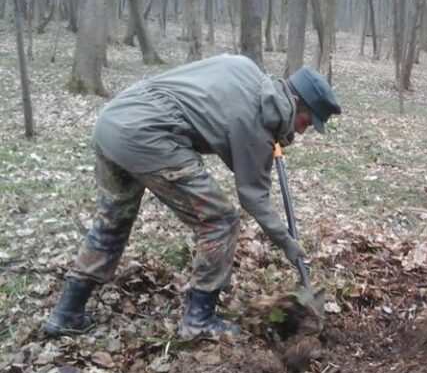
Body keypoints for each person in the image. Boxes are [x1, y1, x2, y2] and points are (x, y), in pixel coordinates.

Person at [43, 55, 341, 339]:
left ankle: (67, 312)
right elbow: (253, 197)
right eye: (306, 122)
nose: (302, 132)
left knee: (114, 218)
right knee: (221, 220)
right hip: (150, 135)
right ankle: (199, 320)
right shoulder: (258, 122)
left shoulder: (246, 69)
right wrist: (288, 243)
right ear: (296, 103)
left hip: (114, 121)